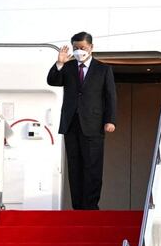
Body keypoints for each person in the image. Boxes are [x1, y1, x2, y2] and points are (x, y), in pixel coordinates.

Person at [47, 32, 117, 210]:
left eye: (83, 48)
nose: (79, 51)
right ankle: (77, 206)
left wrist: (110, 120)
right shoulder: (68, 67)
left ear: (91, 48)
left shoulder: (103, 69)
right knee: (75, 167)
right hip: (71, 123)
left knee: (92, 166)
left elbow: (110, 97)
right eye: (76, 48)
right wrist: (60, 63)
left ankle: (91, 206)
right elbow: (53, 81)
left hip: (93, 124)